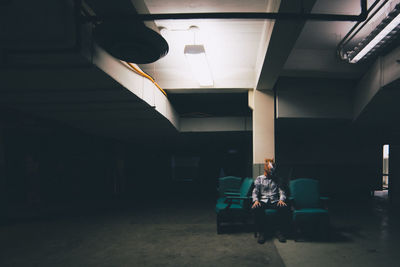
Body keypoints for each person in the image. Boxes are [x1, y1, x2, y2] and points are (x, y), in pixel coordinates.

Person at [252, 158, 288, 244]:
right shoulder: (259, 178)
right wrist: (256, 200)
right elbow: (255, 191)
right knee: (256, 208)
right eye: (269, 169)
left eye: (272, 169)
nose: (271, 171)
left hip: (274, 200)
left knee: (283, 207)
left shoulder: (277, 179)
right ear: (265, 168)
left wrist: (281, 199)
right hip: (263, 200)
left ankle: (279, 231)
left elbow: (282, 191)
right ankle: (262, 232)